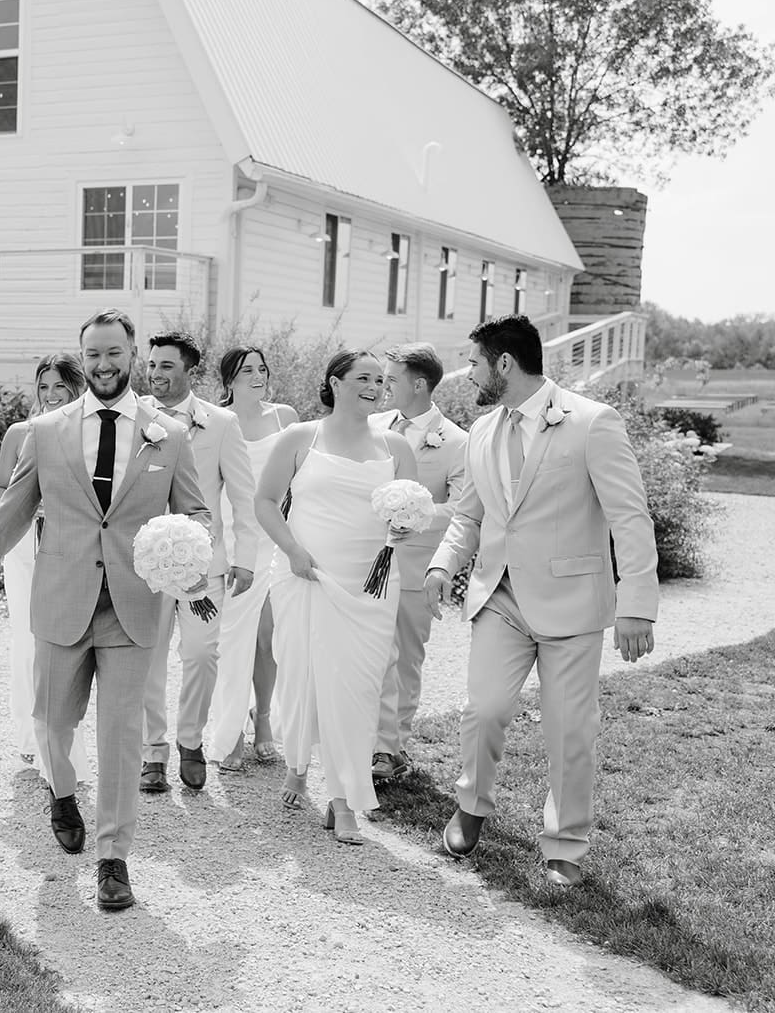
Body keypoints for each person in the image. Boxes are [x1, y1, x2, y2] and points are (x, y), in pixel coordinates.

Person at [0, 309, 209, 912]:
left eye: (114, 353)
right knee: (49, 722)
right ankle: (62, 792)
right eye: (92, 354)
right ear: (82, 356)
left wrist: (190, 559)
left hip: (133, 605)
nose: (102, 365)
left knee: (120, 736)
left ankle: (113, 858)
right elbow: (12, 512)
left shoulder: (168, 435)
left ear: (133, 356)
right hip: (62, 600)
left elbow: (195, 512)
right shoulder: (46, 431)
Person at [424, 315, 658, 887]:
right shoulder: (482, 430)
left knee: (569, 728)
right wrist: (443, 562)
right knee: (483, 711)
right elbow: (472, 514)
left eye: (475, 362)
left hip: (572, 602)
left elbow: (629, 517)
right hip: (499, 596)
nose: (468, 373)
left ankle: (565, 844)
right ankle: (471, 806)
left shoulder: (592, 423)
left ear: (504, 364)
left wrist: (637, 604)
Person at [253, 350, 418, 846]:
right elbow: (264, 502)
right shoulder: (301, 437)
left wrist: (405, 528)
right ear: (336, 382)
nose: (375, 386)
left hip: (370, 585)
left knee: (359, 688)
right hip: (307, 576)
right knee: (305, 676)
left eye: (380, 380)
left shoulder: (396, 447)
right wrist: (293, 551)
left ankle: (343, 797)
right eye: (364, 378)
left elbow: (409, 511)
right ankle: (300, 765)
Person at [139, 332, 257, 794]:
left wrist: (245, 559)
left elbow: (244, 497)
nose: (156, 374)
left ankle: (191, 739)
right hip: (145, 567)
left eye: (167, 366)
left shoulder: (221, 424)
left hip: (203, 567)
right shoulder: (135, 416)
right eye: (152, 365)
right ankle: (153, 751)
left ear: (190, 372)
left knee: (202, 655)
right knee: (147, 659)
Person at [369, 343, 466, 782]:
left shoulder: (457, 442)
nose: (382, 386)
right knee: (369, 657)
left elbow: (465, 509)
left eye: (390, 379)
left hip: (414, 566)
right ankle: (363, 739)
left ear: (419, 384)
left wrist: (417, 515)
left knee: (405, 659)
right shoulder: (368, 427)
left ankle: (390, 749)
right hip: (362, 562)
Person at [0, 353, 90, 784]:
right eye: (44, 386)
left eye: (60, 387)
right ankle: (30, 740)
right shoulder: (20, 433)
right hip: (24, 546)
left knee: (66, 641)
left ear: (76, 388)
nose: (51, 396)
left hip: (70, 547)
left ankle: (66, 741)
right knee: (26, 640)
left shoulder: (87, 432)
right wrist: (29, 510)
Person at [210, 346, 299, 769]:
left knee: (268, 638)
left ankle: (263, 718)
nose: (258, 376)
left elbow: (300, 480)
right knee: (231, 642)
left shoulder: (286, 418)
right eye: (247, 370)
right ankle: (229, 731)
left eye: (262, 368)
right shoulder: (213, 420)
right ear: (229, 379)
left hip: (276, 538)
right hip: (232, 538)